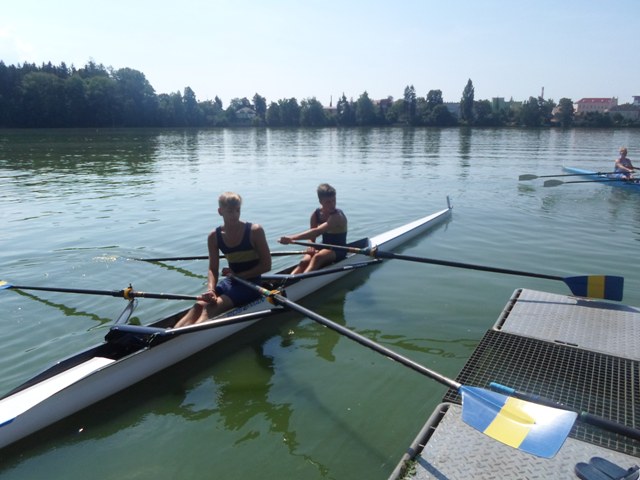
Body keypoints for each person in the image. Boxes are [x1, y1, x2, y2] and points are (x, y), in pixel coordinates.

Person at [174, 192, 271, 327]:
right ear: (220, 212)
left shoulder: (255, 231)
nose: (235, 215)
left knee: (211, 307)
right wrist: (211, 290)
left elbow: (266, 265)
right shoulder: (214, 236)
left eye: (237, 210)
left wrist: (239, 276)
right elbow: (213, 269)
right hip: (230, 282)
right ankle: (170, 335)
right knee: (199, 305)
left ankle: (184, 336)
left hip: (251, 285)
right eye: (230, 211)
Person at [278, 183, 348, 274]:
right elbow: (312, 237)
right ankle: (288, 281)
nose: (332, 204)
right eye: (328, 202)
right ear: (320, 202)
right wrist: (311, 246)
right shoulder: (316, 214)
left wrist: (291, 238)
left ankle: (302, 280)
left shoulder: (337, 216)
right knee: (304, 262)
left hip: (339, 249)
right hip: (323, 247)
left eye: (334, 200)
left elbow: (317, 232)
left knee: (317, 257)